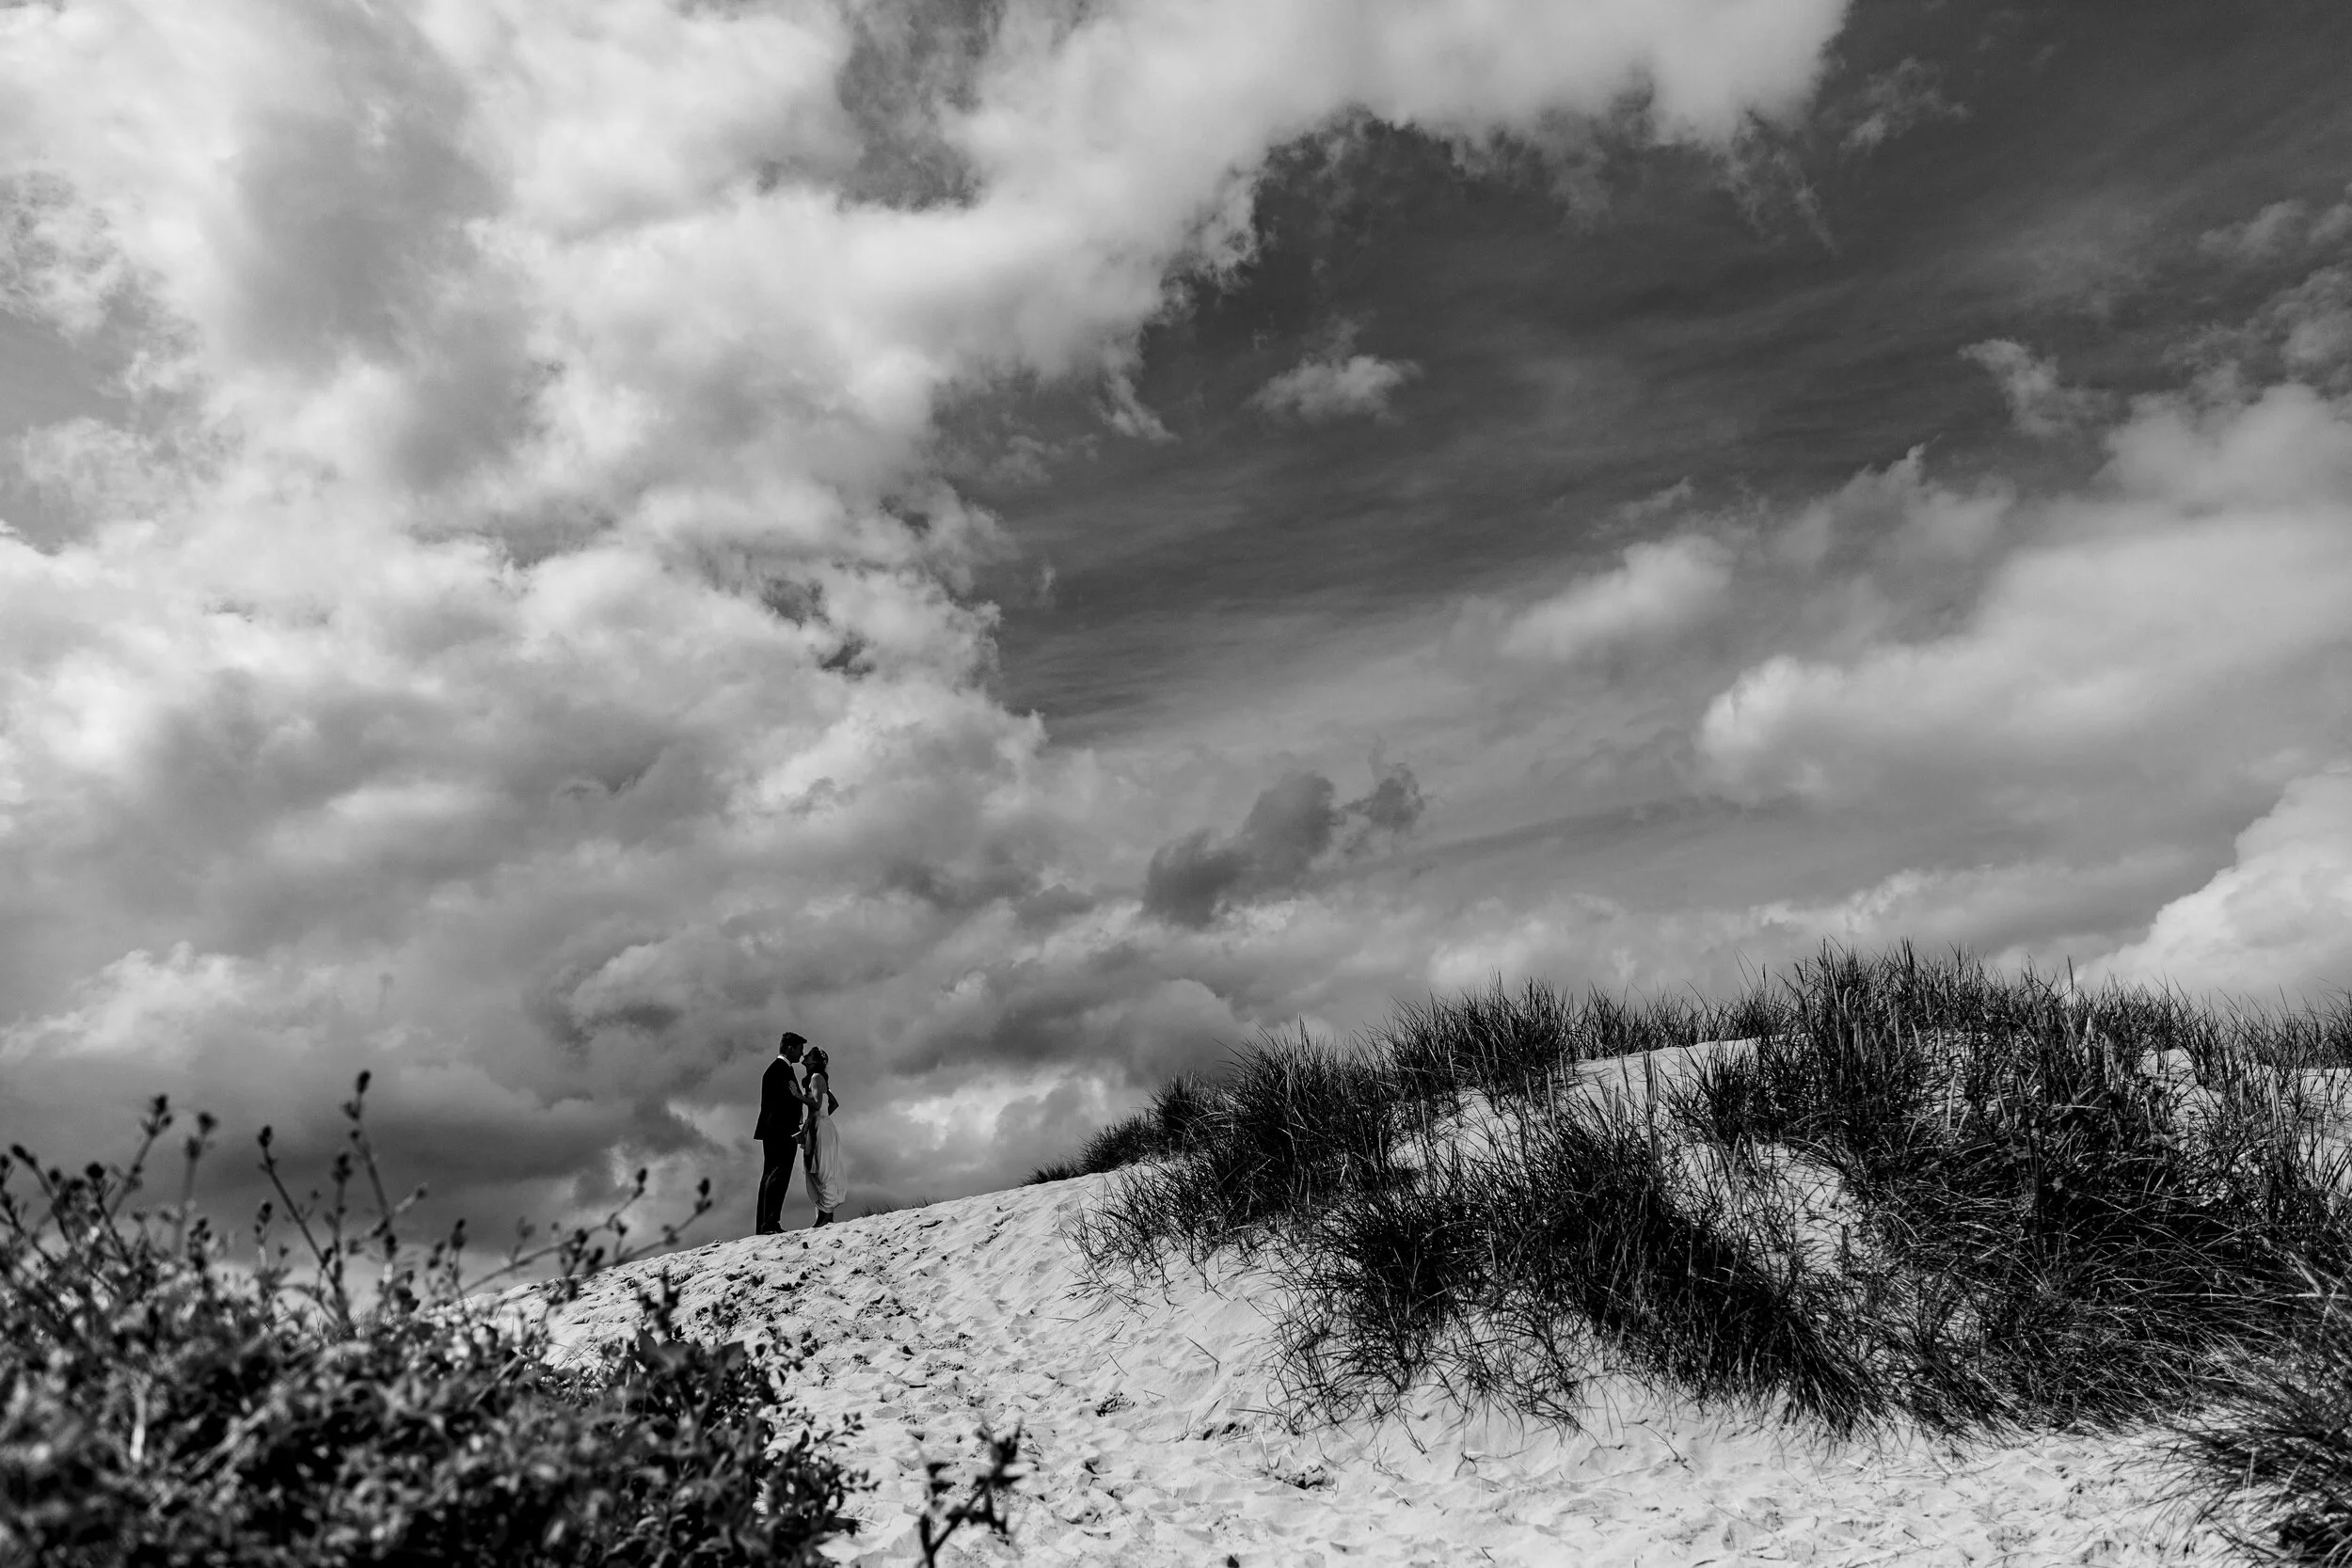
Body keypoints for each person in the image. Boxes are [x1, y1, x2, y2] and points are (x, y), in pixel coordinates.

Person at [753, 1032, 807, 1235]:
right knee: (777, 1176)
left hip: (774, 1130)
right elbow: (779, 1105)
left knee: (772, 1175)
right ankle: (769, 1223)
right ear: (790, 1048)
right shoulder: (779, 1071)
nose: (802, 1054)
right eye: (800, 1049)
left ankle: (767, 1223)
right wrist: (793, 1131)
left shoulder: (780, 1070)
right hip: (780, 1131)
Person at [798, 1045, 847, 1226]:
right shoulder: (815, 1079)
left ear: (815, 1061)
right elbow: (832, 1103)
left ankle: (827, 1215)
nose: (805, 1056)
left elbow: (818, 1104)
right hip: (818, 1125)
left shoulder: (817, 1077)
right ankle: (823, 1215)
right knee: (815, 1167)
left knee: (822, 1169)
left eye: (809, 1055)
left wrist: (797, 1097)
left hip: (820, 1127)